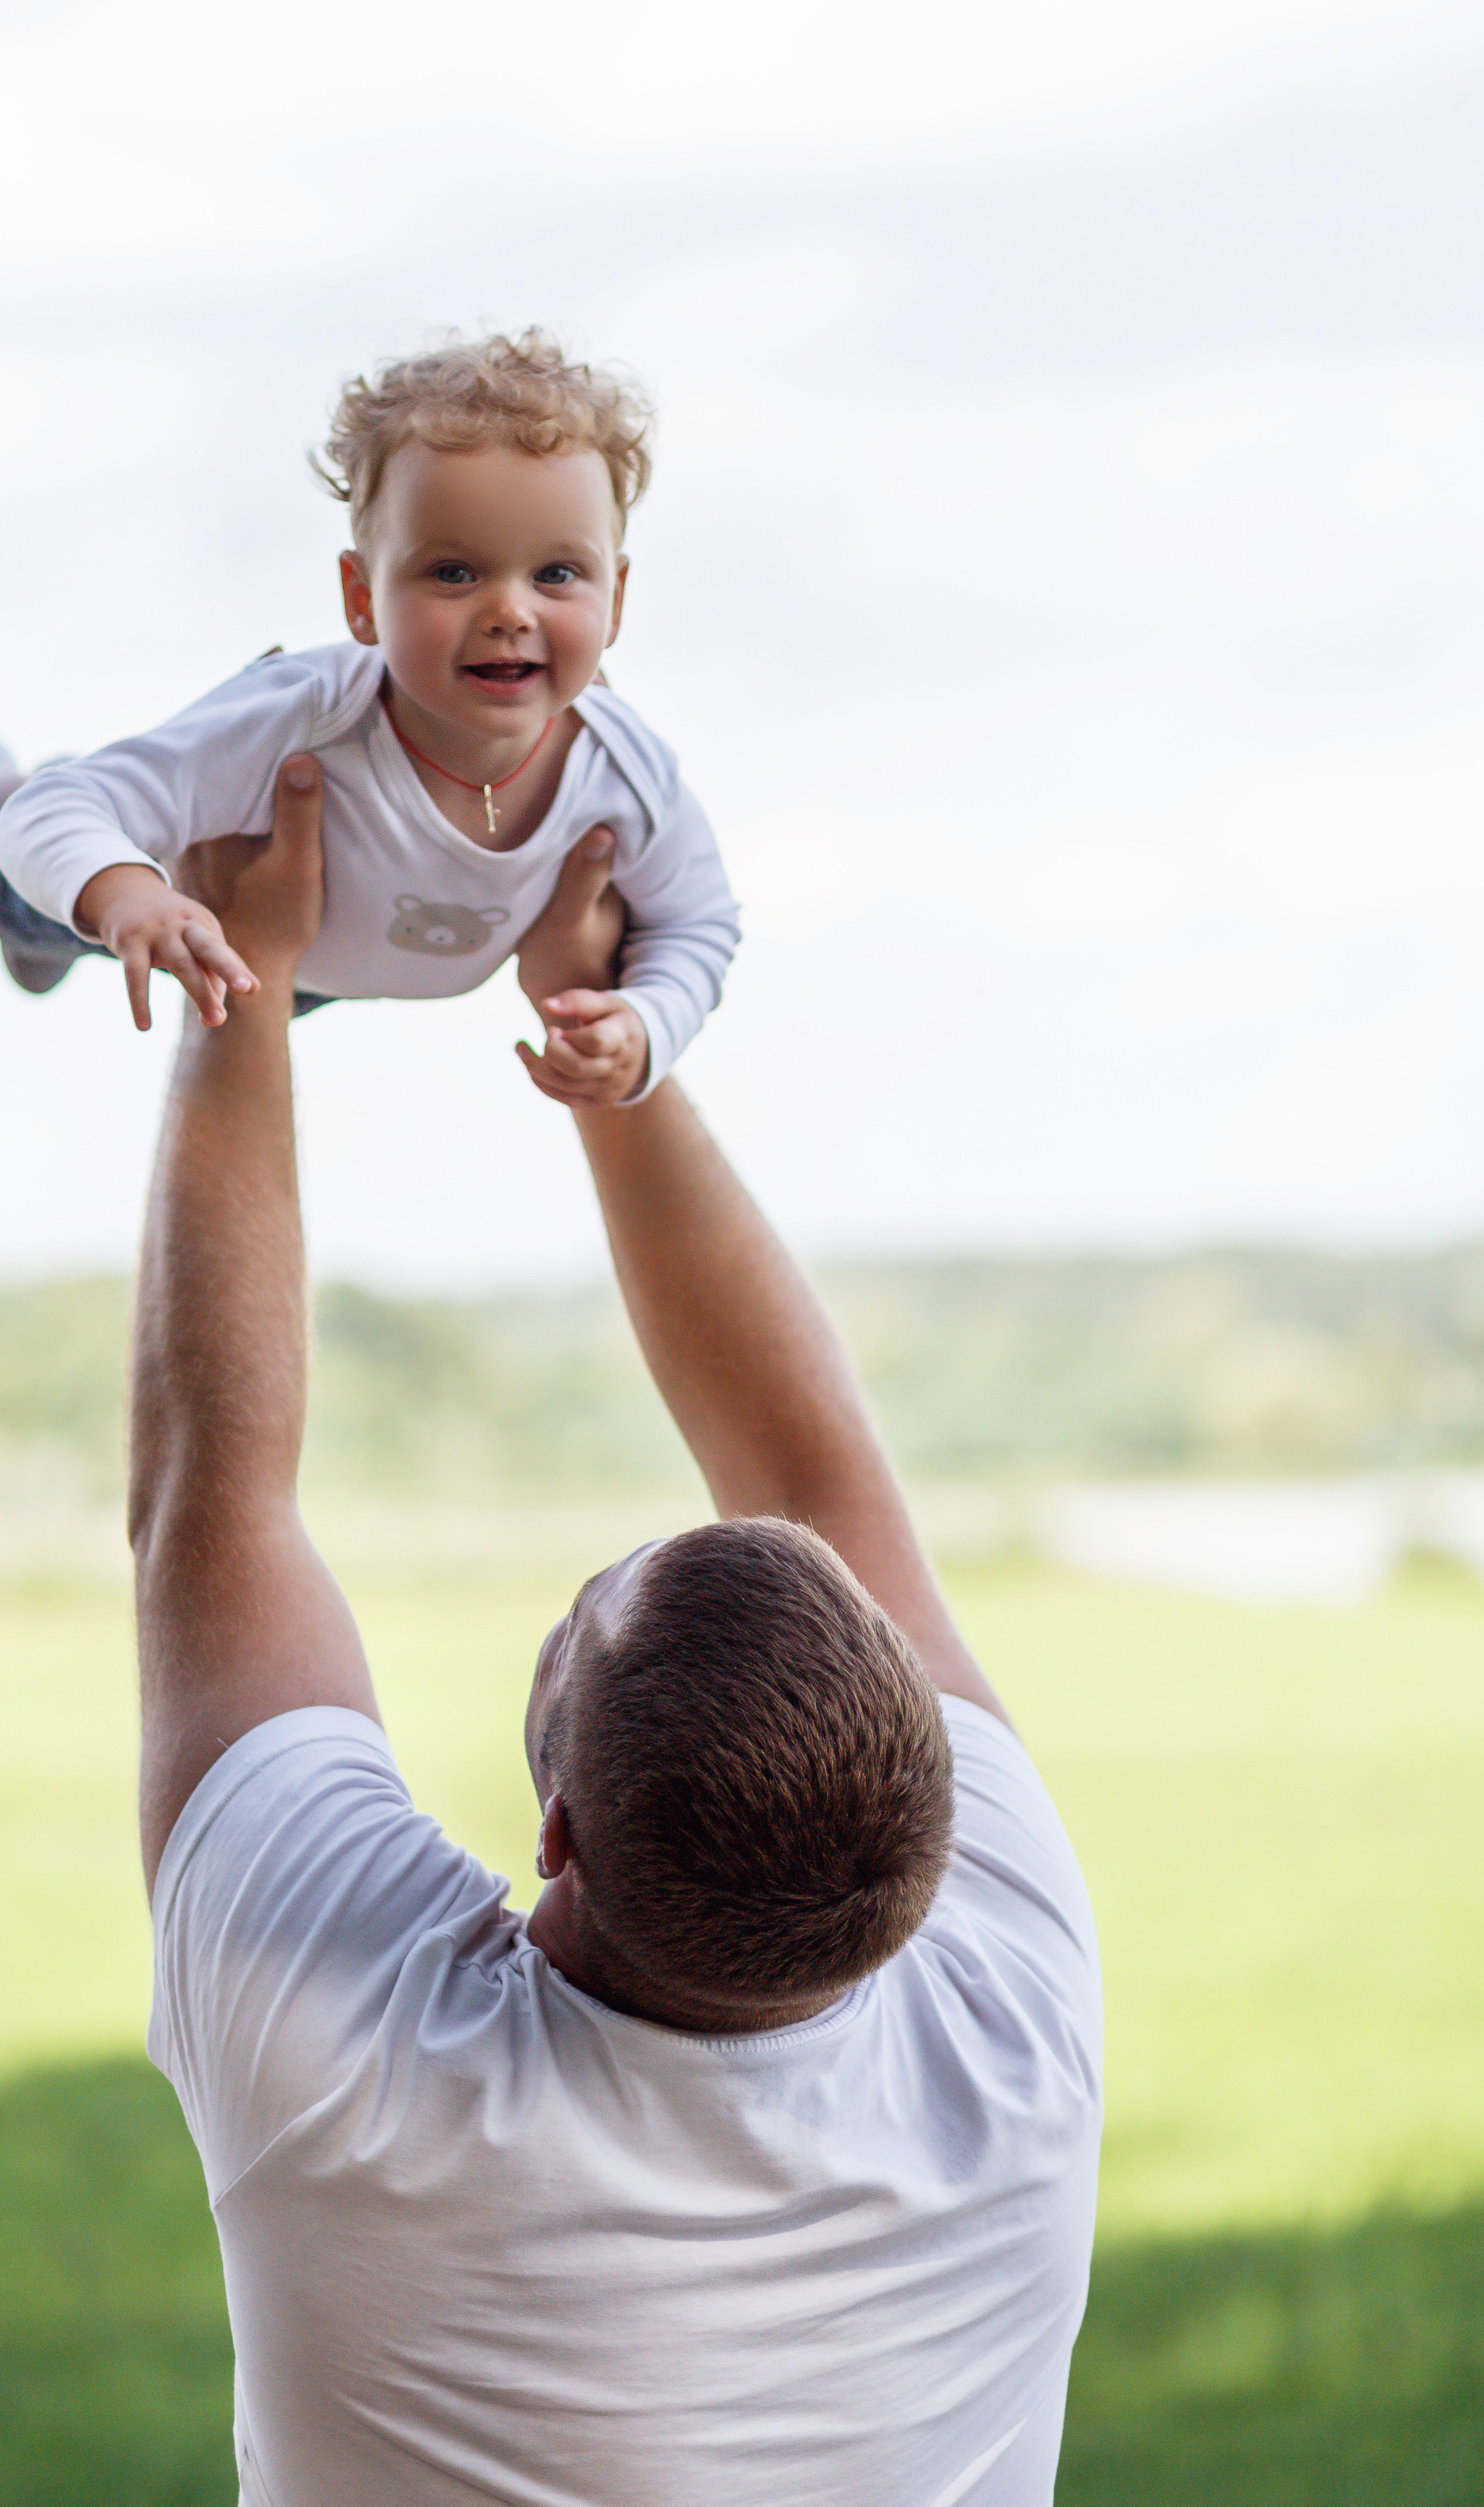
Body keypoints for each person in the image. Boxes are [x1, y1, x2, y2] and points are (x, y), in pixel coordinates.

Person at [133, 759, 1104, 2507]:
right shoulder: (1009, 2028)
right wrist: (607, 1045)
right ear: (932, 1838)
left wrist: (244, 990)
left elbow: (215, 1503)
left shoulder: (342, 2071)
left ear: (555, 1824)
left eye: (580, 1631)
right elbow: (823, 1475)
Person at [0, 330, 739, 1107]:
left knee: (110, 919)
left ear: (615, 600)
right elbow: (56, 819)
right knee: (35, 875)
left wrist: (648, 1026)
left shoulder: (630, 773)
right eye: (454, 573)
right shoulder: (305, 717)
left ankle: (81, 923)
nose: (510, 610)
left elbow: (696, 923)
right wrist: (126, 894)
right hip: (204, 913)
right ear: (361, 600)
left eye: (555, 574)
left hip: (312, 968)